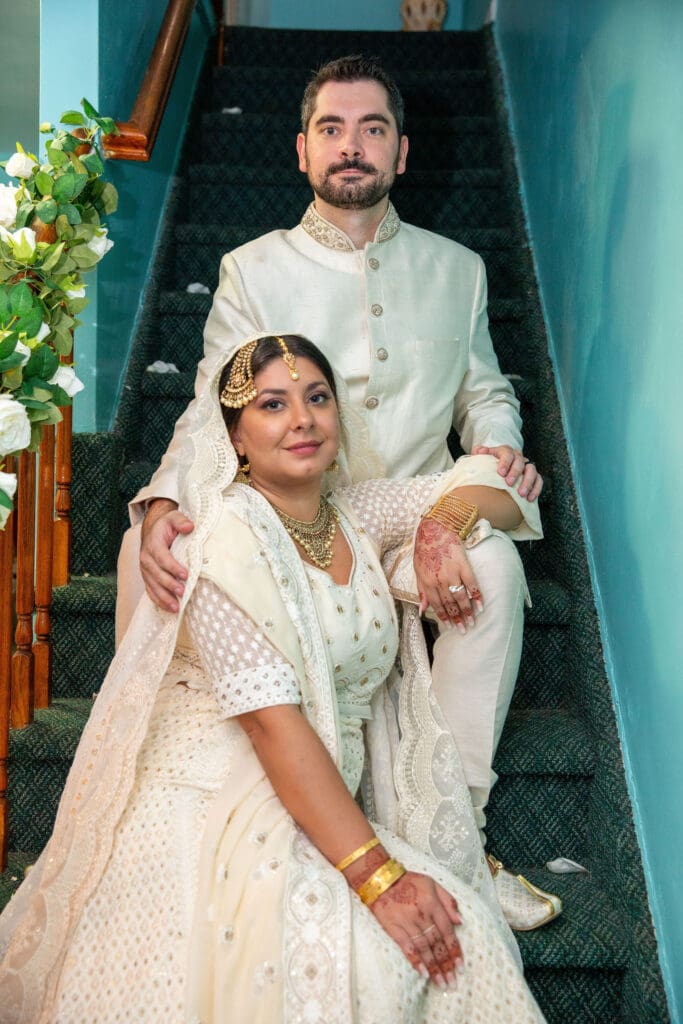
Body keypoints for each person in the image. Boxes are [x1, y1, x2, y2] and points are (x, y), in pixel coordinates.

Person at [119, 56, 554, 928]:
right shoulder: (252, 267)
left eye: (371, 129)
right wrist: (164, 502)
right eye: (331, 128)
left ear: (400, 153)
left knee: (496, 568)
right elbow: (213, 402)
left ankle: (456, 833)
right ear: (301, 150)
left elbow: (484, 390)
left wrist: (497, 453)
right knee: (163, 553)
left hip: (420, 508)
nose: (350, 146)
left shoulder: (458, 268)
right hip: (301, 522)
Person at [0, 335, 547, 1023]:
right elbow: (268, 722)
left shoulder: (352, 514)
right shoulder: (218, 539)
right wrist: (379, 880)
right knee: (368, 965)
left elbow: (486, 485)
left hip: (317, 785)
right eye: (272, 404)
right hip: (218, 795)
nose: (303, 420)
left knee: (458, 929)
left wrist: (440, 527)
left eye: (317, 399)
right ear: (233, 433)